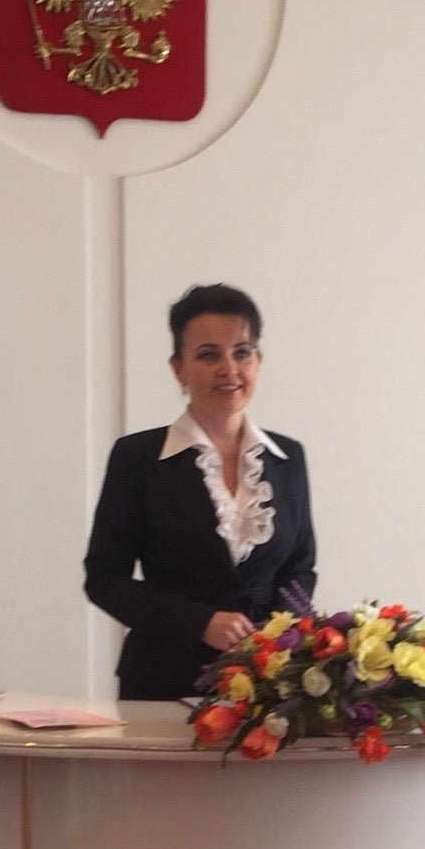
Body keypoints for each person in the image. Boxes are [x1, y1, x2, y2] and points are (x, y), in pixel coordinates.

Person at [84, 283, 316, 700]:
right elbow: (105, 579)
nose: (229, 368)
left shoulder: (288, 458)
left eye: (242, 352)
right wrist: (199, 623)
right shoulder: (138, 458)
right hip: (164, 682)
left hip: (270, 686)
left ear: (259, 361)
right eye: (209, 355)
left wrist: (274, 641)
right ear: (179, 368)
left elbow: (300, 570)